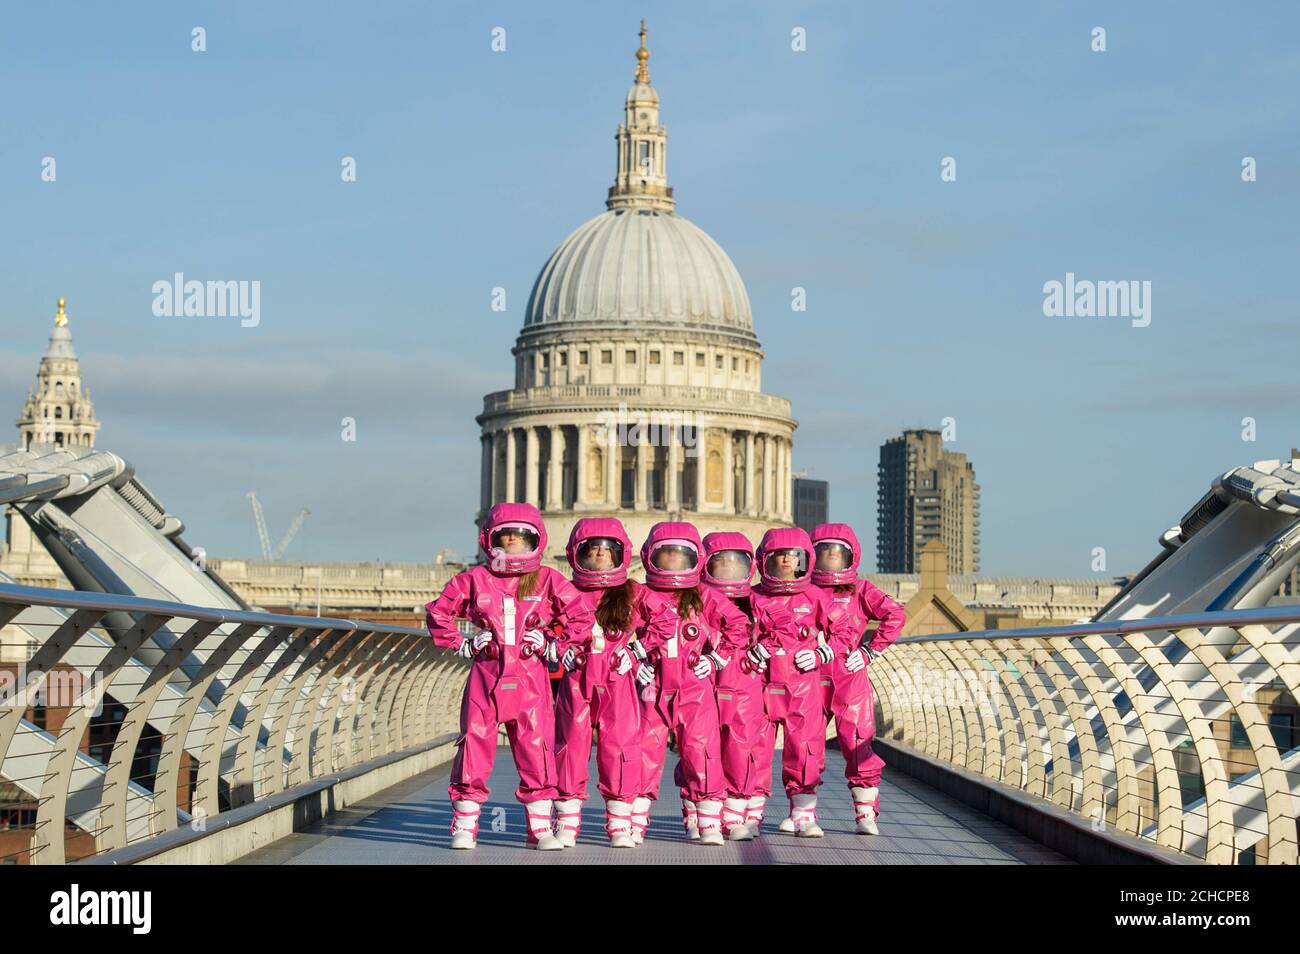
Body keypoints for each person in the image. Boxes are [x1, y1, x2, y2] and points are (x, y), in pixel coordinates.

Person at [424, 502, 594, 850]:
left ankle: (540, 828)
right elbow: (439, 613)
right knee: (474, 744)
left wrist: (552, 646)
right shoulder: (472, 579)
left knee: (537, 748)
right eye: (506, 537)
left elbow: (581, 617)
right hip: (487, 674)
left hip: (530, 678)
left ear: (535, 540)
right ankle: (465, 826)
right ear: (491, 539)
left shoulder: (548, 579)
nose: (513, 544)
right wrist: (464, 644)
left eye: (520, 538)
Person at [635, 521, 749, 846]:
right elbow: (614, 629)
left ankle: (708, 820)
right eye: (666, 553)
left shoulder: (703, 595)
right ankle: (634, 821)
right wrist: (634, 660)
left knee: (702, 751)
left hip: (693, 686)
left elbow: (738, 624)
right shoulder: (640, 593)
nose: (673, 560)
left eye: (679, 554)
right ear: (650, 557)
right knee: (644, 751)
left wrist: (716, 658)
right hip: (653, 684)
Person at [553, 518, 659, 848]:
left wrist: (638, 651)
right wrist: (557, 650)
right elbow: (537, 624)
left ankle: (619, 824)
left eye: (606, 550)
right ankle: (567, 823)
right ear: (577, 554)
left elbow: (668, 619)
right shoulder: (562, 589)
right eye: (592, 549)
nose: (599, 555)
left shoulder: (634, 592)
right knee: (570, 746)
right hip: (578, 678)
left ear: (619, 555)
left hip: (618, 678)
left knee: (622, 747)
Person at [747, 526, 855, 837]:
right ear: (763, 560)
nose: (785, 562)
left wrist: (824, 653)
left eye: (791, 557)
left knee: (805, 748)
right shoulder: (753, 597)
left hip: (802, 685)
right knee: (755, 748)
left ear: (804, 561)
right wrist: (748, 652)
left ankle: (803, 813)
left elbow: (844, 631)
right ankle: (751, 813)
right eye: (778, 557)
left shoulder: (816, 596)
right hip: (762, 684)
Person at [700, 531, 798, 839]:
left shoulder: (756, 600)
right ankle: (699, 814)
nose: (730, 570)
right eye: (722, 563)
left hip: (743, 684)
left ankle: (733, 815)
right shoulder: (697, 597)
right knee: (701, 748)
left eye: (736, 563)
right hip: (705, 683)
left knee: (742, 748)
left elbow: (786, 625)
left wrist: (764, 648)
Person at [810, 523, 906, 835]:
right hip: (808, 678)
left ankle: (866, 814)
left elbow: (896, 614)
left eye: (836, 554)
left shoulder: (861, 591)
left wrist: (869, 651)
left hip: (849, 677)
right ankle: (803, 813)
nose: (829, 559)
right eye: (823, 553)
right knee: (806, 746)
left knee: (857, 742)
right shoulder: (801, 591)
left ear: (850, 557)